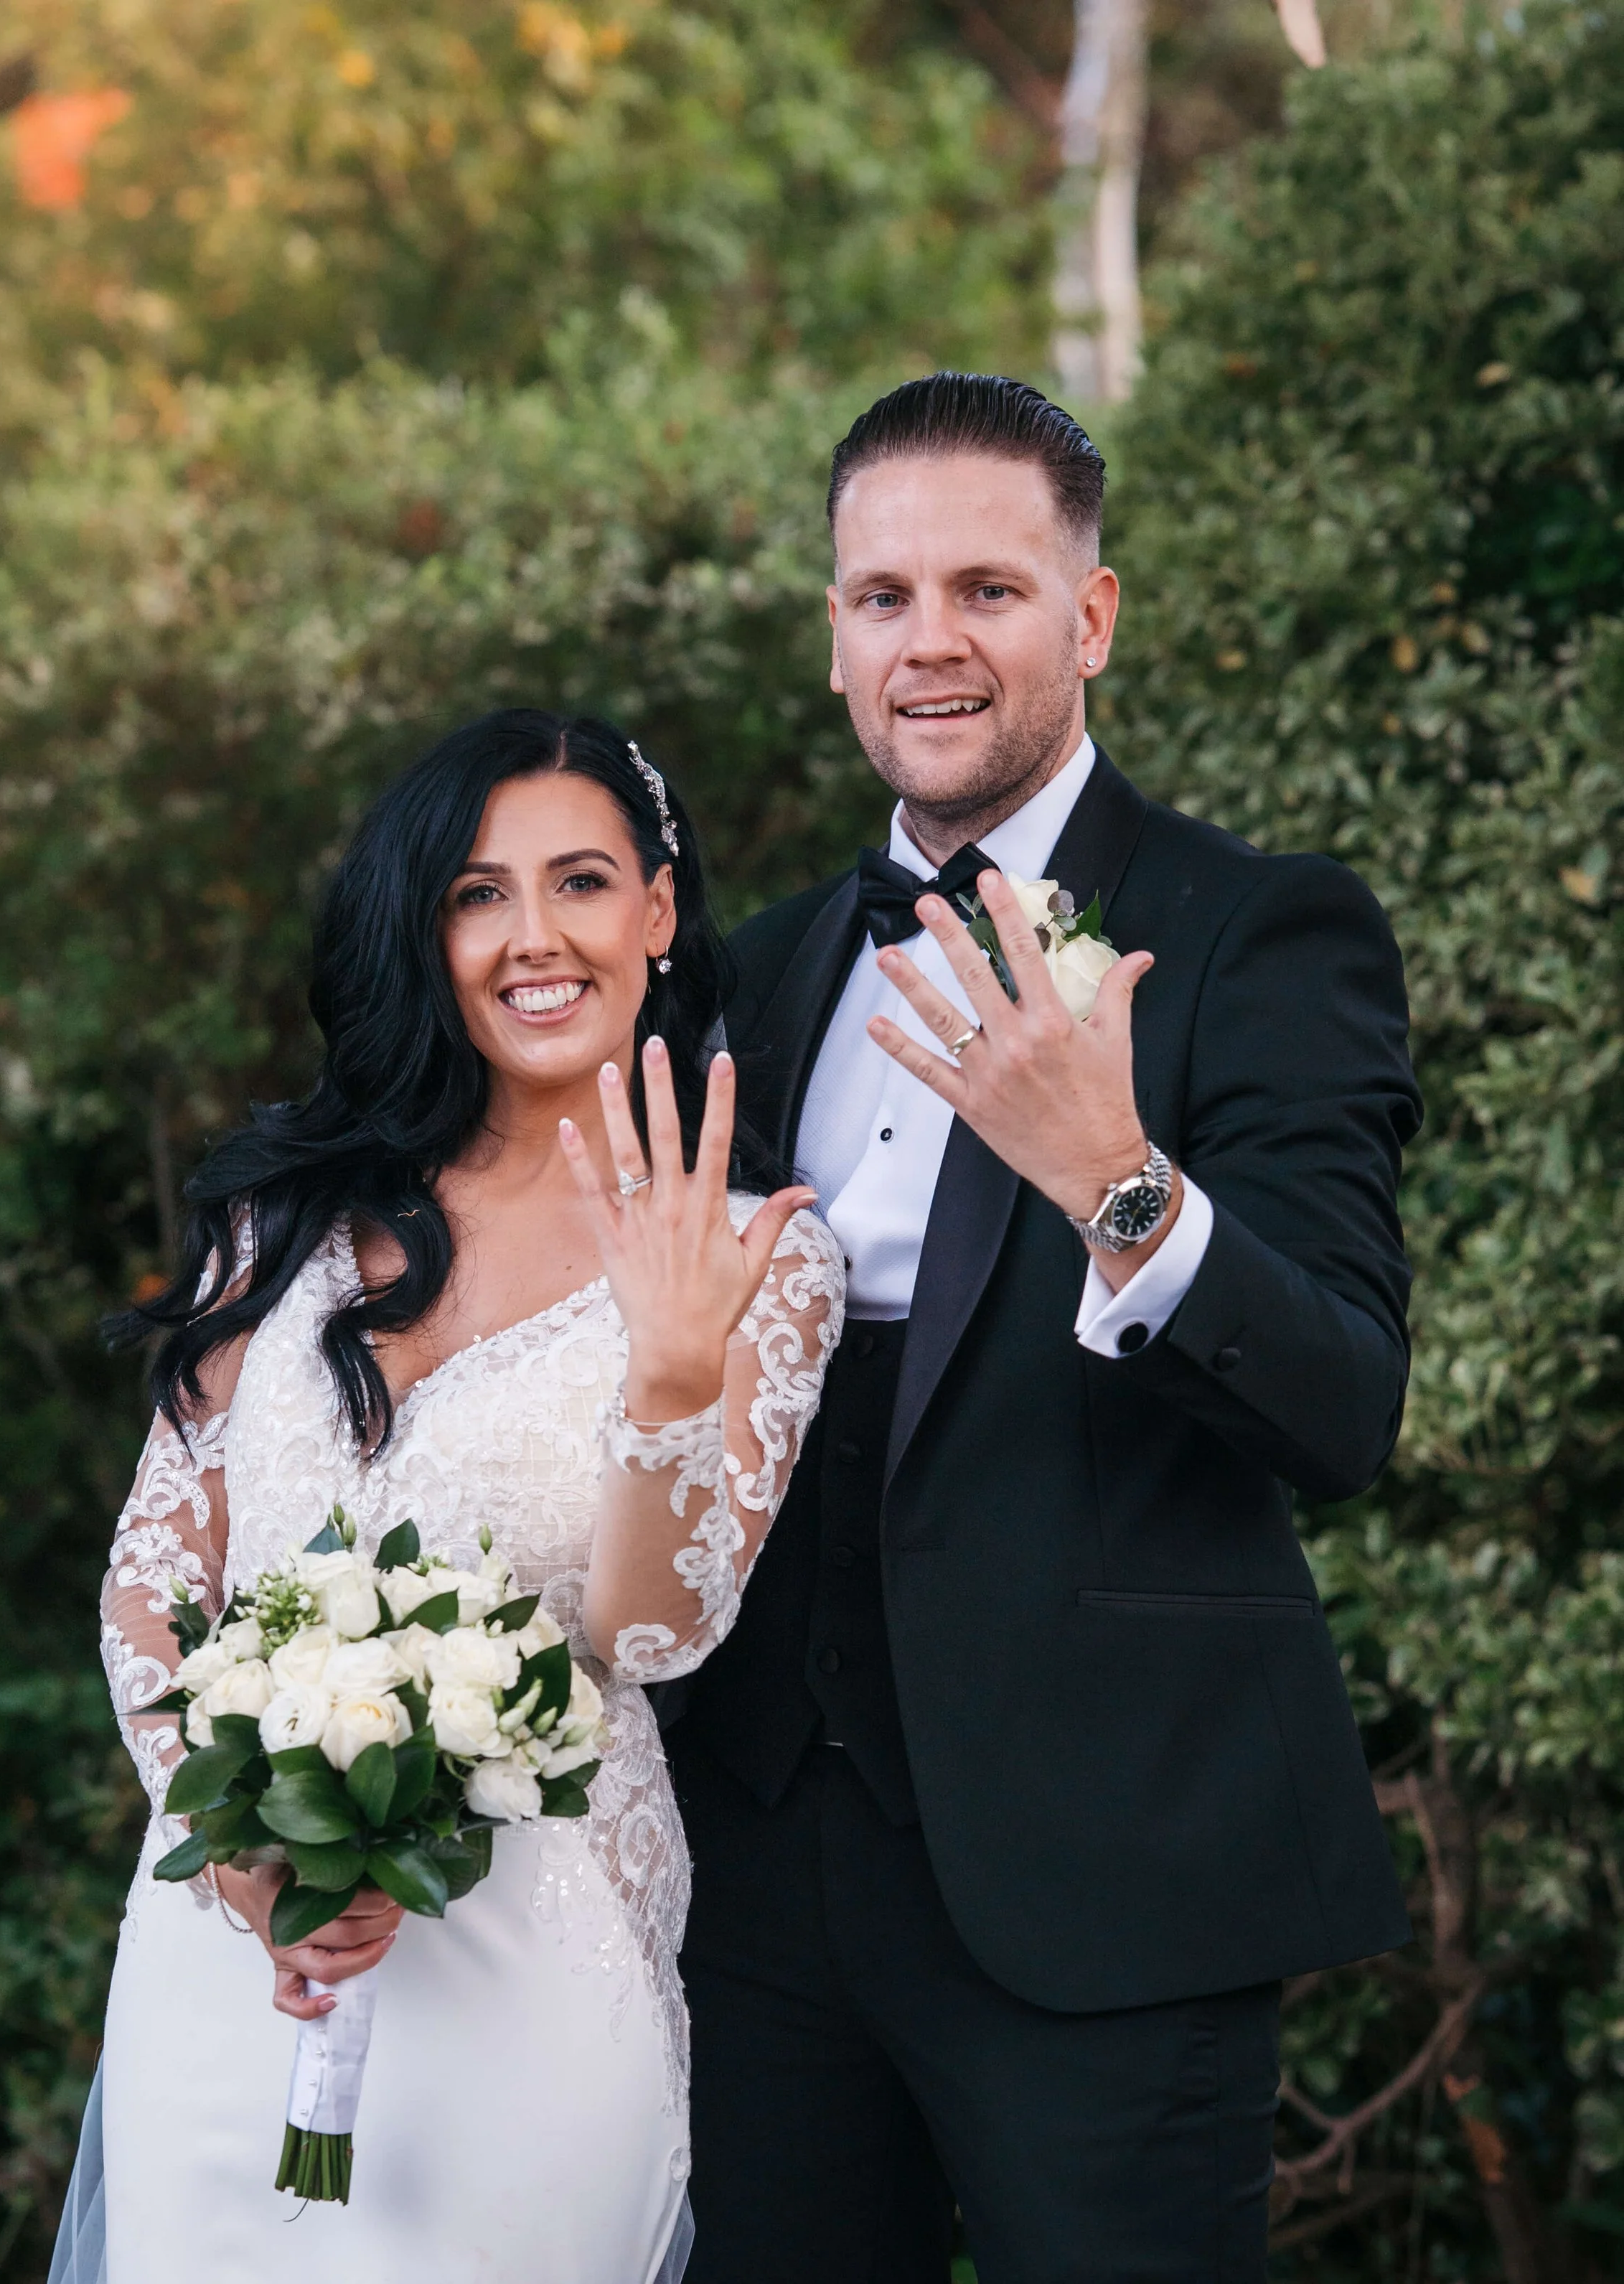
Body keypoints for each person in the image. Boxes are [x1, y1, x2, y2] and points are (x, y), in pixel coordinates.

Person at [665, 373, 1422, 2283]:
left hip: (1106, 1880)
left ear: (1088, 619)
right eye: (881, 595)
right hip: (758, 1881)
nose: (930, 640)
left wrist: (1120, 1182)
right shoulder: (760, 968)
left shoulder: (1260, 930)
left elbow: (1339, 1397)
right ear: (834, 638)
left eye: (987, 589)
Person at [80, 711, 842, 2282]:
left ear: (657, 909)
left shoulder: (752, 1246)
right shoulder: (281, 1224)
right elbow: (153, 1584)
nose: (531, 937)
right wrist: (237, 1851)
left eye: (577, 881)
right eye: (476, 895)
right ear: (426, 933)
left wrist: (670, 1380)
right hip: (232, 1964)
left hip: (533, 1969)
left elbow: (655, 1631)